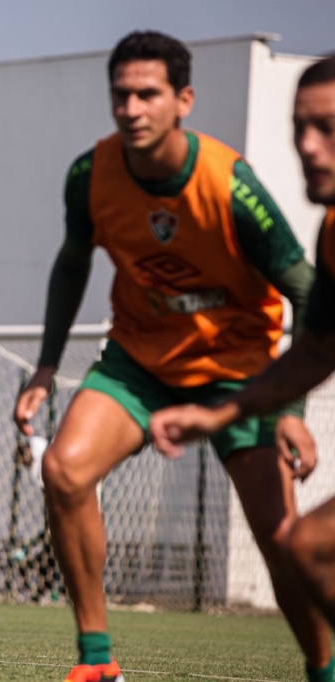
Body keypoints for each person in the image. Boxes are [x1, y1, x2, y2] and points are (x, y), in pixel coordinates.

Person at [12, 31, 330, 682]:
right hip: (141, 361)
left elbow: (304, 291)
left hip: (237, 369)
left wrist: (289, 407)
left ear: (183, 100)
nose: (131, 108)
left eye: (147, 94)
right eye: (120, 95)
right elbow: (72, 263)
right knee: (64, 469)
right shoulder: (91, 174)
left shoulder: (230, 183)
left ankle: (323, 671)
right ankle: (97, 660)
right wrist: (45, 365)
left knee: (286, 543)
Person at [150, 57, 335, 636]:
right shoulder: (332, 233)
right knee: (307, 549)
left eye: (327, 127)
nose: (306, 145)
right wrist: (220, 414)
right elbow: (313, 352)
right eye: (298, 127)